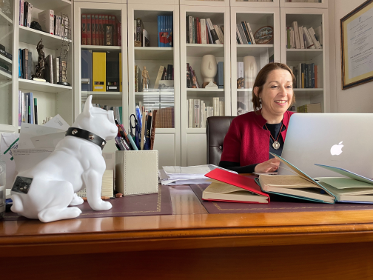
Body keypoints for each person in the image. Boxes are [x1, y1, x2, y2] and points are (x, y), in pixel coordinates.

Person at [219, 62, 296, 174]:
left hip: (297, 190)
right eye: (274, 86)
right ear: (258, 92)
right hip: (252, 190)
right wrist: (255, 168)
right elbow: (224, 171)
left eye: (288, 86)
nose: (284, 93)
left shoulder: (301, 122)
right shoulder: (240, 124)